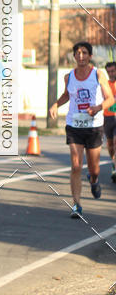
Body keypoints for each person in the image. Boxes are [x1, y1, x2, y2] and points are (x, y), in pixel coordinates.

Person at [49, 41, 114, 218]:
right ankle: (76, 204)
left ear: (90, 56)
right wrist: (55, 104)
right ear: (74, 56)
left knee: (94, 168)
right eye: (77, 53)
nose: (81, 56)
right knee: (76, 166)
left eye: (84, 52)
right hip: (74, 125)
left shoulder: (98, 75)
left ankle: (94, 180)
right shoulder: (69, 77)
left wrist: (97, 108)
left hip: (93, 126)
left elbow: (110, 99)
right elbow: (66, 95)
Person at [103, 61, 116, 183]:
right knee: (111, 145)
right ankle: (113, 162)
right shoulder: (105, 85)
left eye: (113, 71)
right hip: (107, 118)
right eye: (109, 72)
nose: (111, 74)